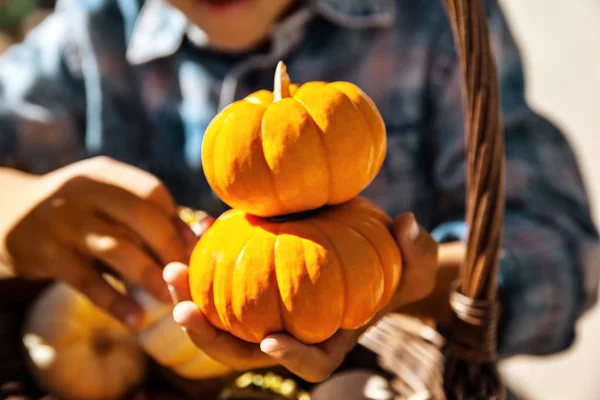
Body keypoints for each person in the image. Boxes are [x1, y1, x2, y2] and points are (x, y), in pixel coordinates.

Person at [0, 0, 598, 389]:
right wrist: (14, 200)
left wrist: (411, 286)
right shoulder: (90, 32)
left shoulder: (431, 24)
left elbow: (563, 247)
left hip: (409, 377)